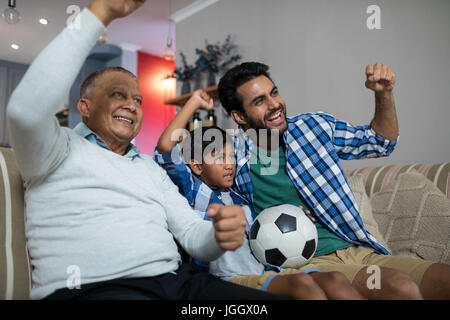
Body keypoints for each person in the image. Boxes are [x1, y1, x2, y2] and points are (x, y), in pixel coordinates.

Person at [6, 0, 285, 300]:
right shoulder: (54, 149)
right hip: (95, 289)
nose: (131, 105)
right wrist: (100, 14)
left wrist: (217, 236)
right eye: (118, 95)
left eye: (138, 100)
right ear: (84, 106)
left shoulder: (149, 168)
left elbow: (192, 234)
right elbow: (25, 111)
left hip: (179, 286)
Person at [217, 61, 450, 299]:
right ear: (239, 116)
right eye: (259, 101)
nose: (274, 104)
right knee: (399, 286)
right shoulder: (230, 156)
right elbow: (180, 162)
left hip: (360, 249)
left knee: (444, 278)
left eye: (274, 92)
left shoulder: (313, 127)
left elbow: (380, 142)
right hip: (309, 264)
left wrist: (384, 94)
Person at [154, 90, 366, 300]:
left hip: (266, 271)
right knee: (304, 287)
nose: (229, 165)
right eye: (219, 157)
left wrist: (299, 217)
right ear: (197, 166)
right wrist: (192, 104)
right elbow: (165, 148)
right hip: (227, 279)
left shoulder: (240, 195)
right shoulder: (195, 191)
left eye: (231, 157)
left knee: (334, 280)